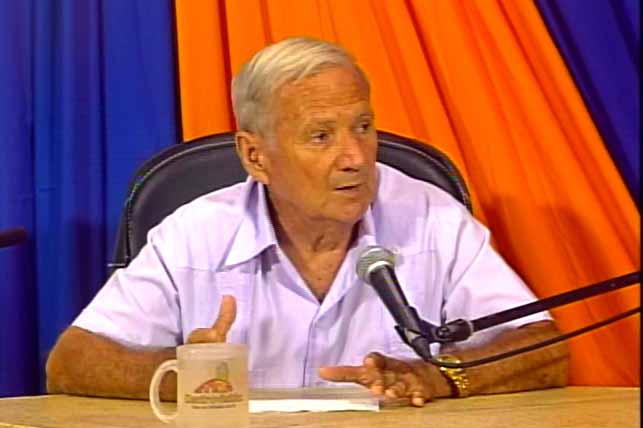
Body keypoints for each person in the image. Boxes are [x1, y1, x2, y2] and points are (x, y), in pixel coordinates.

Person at [46, 37, 568, 406]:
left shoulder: (432, 218)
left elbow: (543, 353)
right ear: (255, 156)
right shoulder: (195, 233)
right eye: (321, 136)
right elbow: (71, 363)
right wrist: (183, 373)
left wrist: (436, 376)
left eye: (363, 126)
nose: (356, 157)